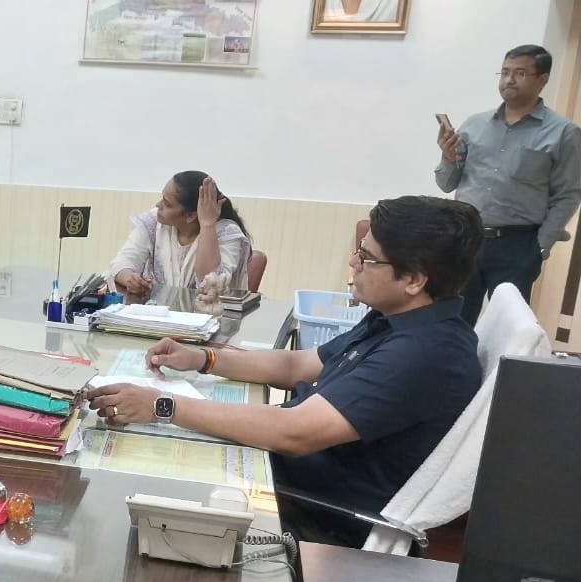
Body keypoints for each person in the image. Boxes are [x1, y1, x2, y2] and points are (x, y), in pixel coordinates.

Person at [87, 196, 483, 547]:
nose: (353, 263)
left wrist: (162, 406)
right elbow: (296, 364)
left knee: (136, 488)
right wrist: (202, 358)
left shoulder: (425, 353)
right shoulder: (395, 318)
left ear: (413, 279)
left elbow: (293, 432)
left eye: (367, 258)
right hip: (284, 473)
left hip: (311, 516)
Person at [436, 44, 581, 324]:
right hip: (466, 239)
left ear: (543, 80)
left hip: (518, 244)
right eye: (504, 72)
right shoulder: (474, 124)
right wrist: (447, 158)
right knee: (453, 321)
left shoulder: (563, 132)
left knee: (507, 327)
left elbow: (568, 194)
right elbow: (447, 183)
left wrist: (540, 247)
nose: (509, 80)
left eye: (520, 73)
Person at [106, 170, 253, 295]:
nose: (158, 205)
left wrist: (207, 225)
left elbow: (210, 285)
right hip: (159, 315)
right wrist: (129, 278)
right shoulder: (154, 222)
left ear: (191, 216)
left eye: (167, 204)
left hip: (210, 318)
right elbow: (121, 262)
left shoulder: (227, 233)